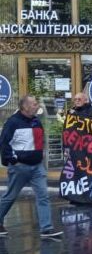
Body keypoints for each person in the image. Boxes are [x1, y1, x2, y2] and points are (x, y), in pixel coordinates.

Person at [0, 96, 62, 238]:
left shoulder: (36, 121)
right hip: (20, 167)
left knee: (43, 196)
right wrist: (13, 161)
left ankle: (46, 229)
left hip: (37, 167)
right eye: (34, 104)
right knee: (10, 196)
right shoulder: (12, 122)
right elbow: (4, 143)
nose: (37, 105)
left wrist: (41, 157)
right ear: (25, 107)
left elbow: (40, 141)